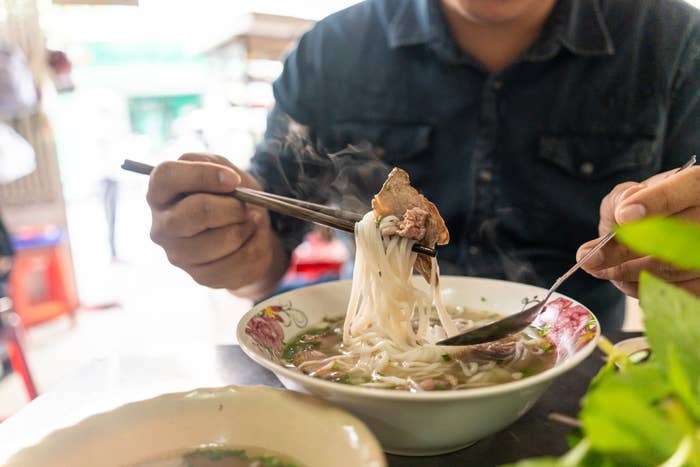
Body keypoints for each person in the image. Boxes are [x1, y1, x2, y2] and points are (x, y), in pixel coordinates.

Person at [146, 0, 700, 330]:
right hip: (358, 367)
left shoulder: (672, 42)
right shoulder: (334, 51)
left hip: (577, 372)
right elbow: (262, 262)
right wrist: (227, 237)